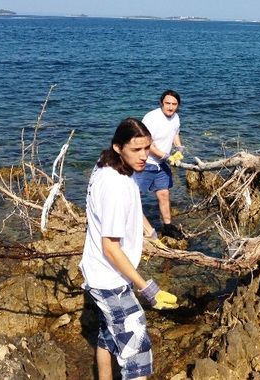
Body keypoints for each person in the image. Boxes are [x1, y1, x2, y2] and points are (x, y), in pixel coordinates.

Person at [80, 118, 178, 379]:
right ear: (118, 147)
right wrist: (147, 288)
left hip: (98, 271)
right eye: (136, 149)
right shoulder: (116, 186)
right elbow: (111, 248)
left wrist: (150, 232)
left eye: (147, 148)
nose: (144, 156)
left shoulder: (105, 166)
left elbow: (131, 209)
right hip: (109, 278)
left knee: (108, 336)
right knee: (137, 351)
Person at [134, 89, 185, 240]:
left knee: (164, 194)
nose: (170, 107)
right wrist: (165, 156)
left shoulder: (175, 117)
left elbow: (175, 133)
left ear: (178, 105)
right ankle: (133, 227)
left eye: (174, 104)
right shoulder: (151, 118)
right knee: (134, 196)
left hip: (161, 164)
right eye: (167, 103)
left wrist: (179, 147)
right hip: (145, 163)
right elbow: (147, 144)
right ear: (161, 103)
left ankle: (167, 226)